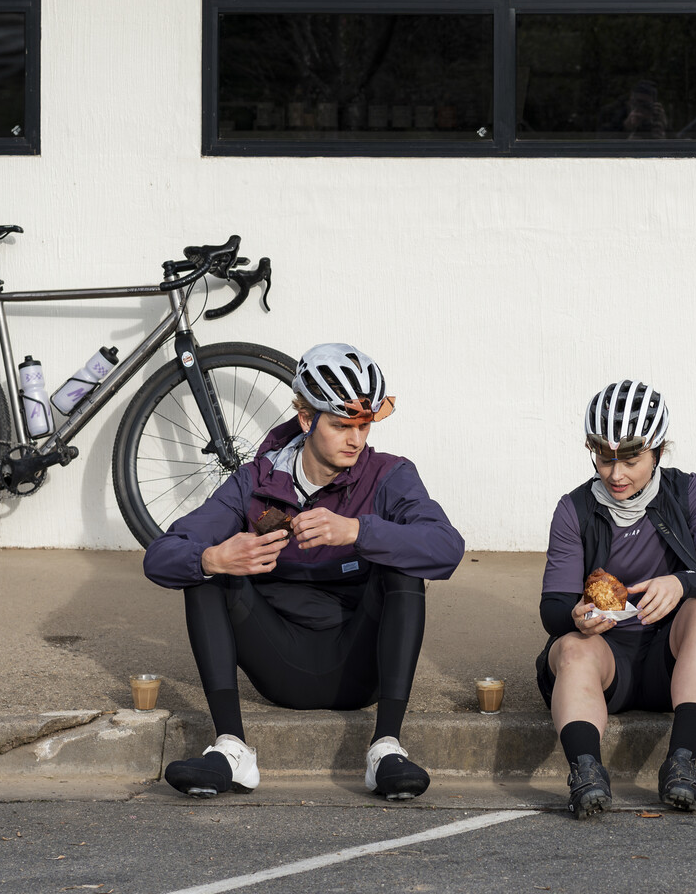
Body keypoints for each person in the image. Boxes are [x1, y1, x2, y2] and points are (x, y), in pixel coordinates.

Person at [143, 342, 463, 801]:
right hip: (281, 665)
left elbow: (447, 549)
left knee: (404, 567)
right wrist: (215, 559)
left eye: (364, 425)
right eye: (341, 425)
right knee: (209, 569)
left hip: (362, 665)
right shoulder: (254, 482)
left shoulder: (389, 475)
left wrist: (358, 530)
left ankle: (386, 748)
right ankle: (231, 748)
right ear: (307, 418)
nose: (356, 439)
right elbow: (161, 555)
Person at [536, 380, 696, 817]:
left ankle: (681, 763)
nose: (615, 474)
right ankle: (587, 772)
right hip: (606, 658)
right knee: (569, 646)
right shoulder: (573, 508)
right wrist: (575, 616)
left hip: (671, 658)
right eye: (604, 458)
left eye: (631, 459)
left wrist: (683, 583)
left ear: (659, 451)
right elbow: (552, 606)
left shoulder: (688, 492)